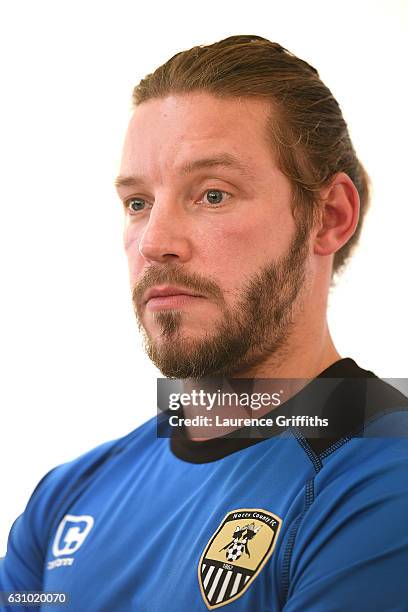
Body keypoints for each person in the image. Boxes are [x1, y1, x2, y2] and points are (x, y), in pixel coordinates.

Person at [1, 34, 407, 612]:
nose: (156, 243)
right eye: (138, 202)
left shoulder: (385, 477)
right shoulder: (66, 499)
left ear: (329, 218)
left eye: (212, 195)